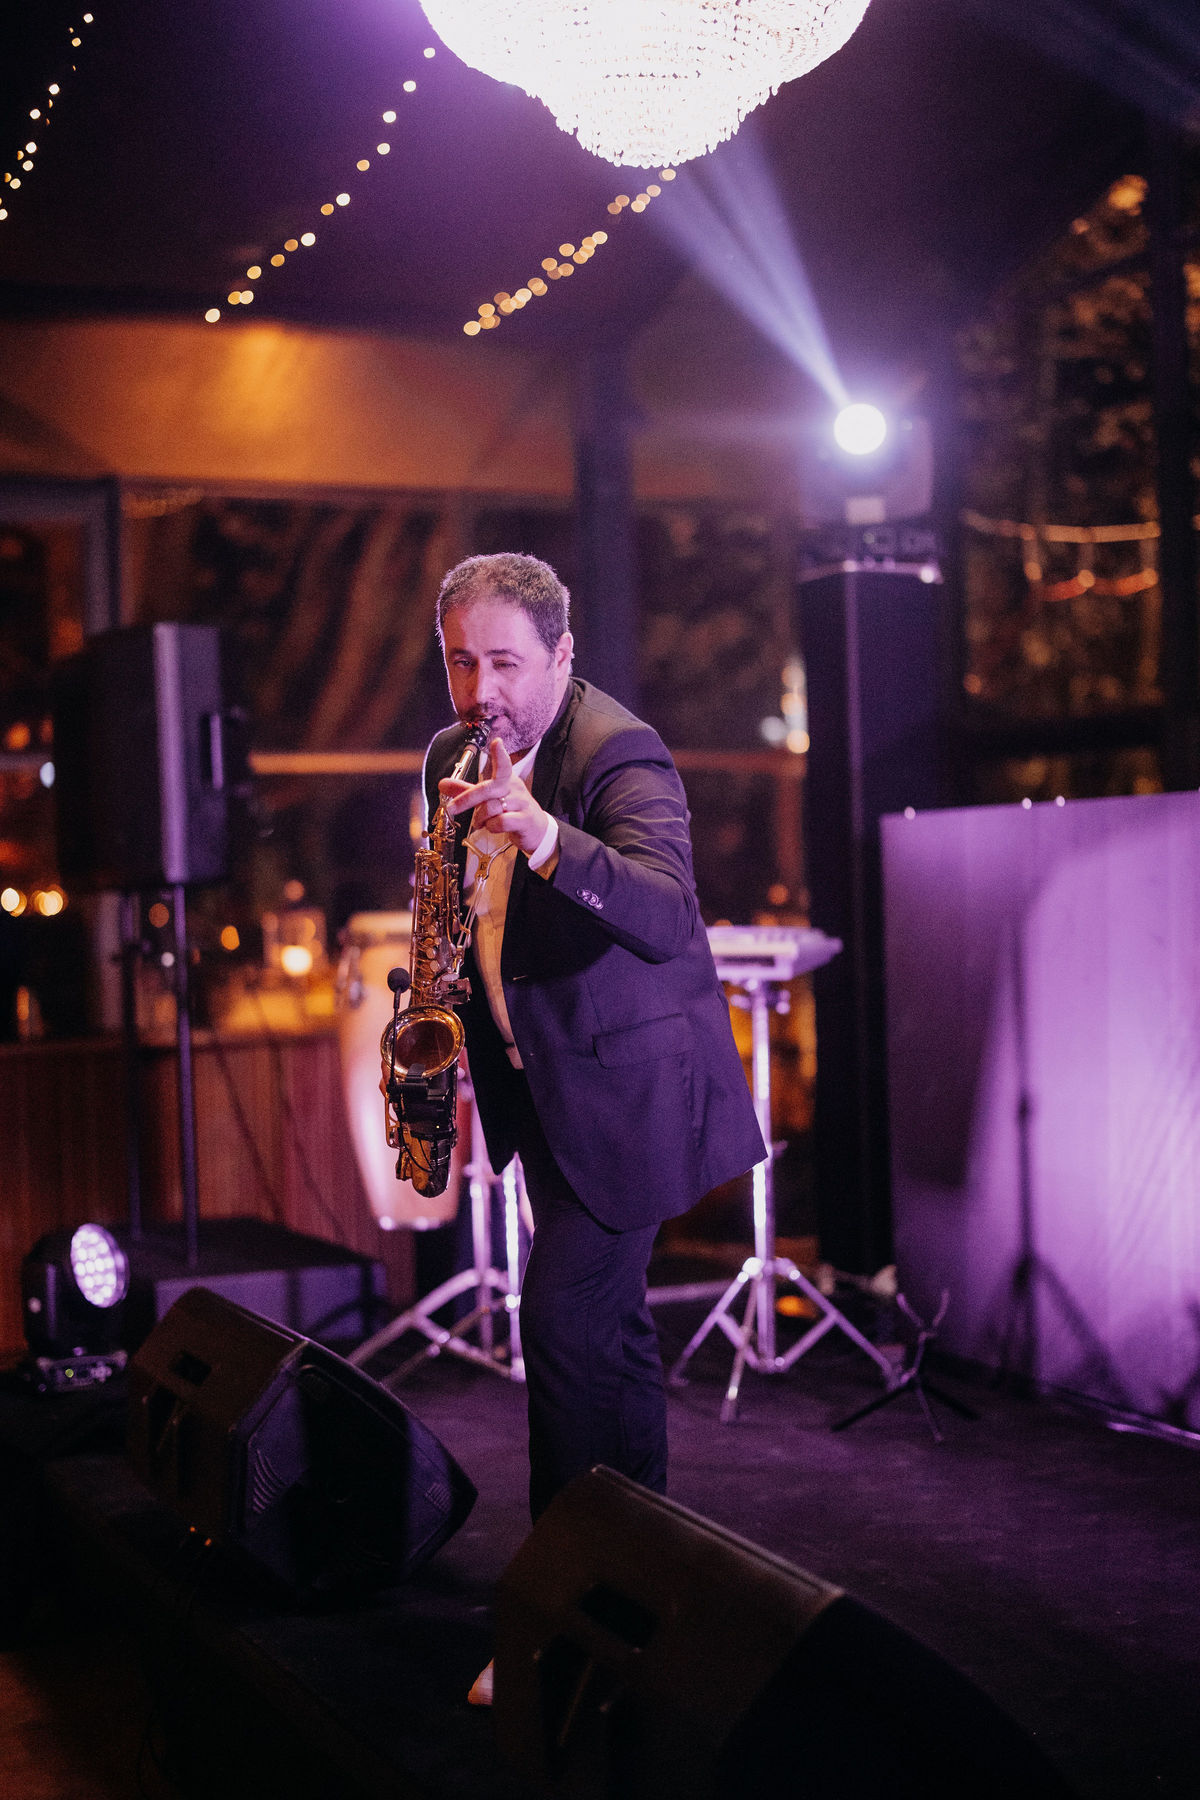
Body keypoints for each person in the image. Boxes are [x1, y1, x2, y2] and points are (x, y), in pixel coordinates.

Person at [424, 552, 765, 1538]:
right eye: (460, 662)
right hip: (544, 1082)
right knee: (611, 1335)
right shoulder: (450, 753)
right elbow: (469, 910)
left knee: (563, 1322)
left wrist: (541, 836)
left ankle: (562, 1580)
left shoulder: (623, 753)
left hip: (630, 1093)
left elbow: (664, 914)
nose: (480, 691)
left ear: (562, 654)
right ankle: (640, 1555)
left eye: (504, 663)